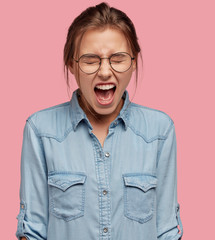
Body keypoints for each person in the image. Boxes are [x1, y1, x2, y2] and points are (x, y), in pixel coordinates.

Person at [15, 2, 183, 240]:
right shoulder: (40, 130)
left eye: (118, 58)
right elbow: (32, 231)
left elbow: (166, 230)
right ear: (71, 65)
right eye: (91, 60)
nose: (104, 71)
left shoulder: (160, 130)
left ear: (134, 62)